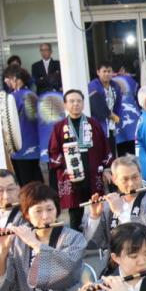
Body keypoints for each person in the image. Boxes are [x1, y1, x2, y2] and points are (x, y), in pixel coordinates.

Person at [47, 89, 113, 231]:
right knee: (75, 212)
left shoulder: (93, 124)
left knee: (97, 205)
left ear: (83, 104)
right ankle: (76, 239)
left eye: (79, 101)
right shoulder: (59, 128)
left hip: (93, 172)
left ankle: (99, 236)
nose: (75, 104)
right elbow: (53, 152)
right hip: (71, 174)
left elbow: (104, 147)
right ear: (65, 105)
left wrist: (106, 168)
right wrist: (65, 166)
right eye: (71, 101)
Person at [84, 155, 146, 253]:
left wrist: (120, 213)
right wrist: (95, 217)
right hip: (115, 260)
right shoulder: (108, 204)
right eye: (125, 179)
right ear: (114, 180)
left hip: (144, 259)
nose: (131, 184)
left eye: (135, 177)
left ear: (141, 175)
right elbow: (92, 243)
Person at [2, 66, 42, 185]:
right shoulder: (31, 94)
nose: (5, 81)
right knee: (35, 174)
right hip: (33, 142)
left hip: (19, 144)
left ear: (16, 79)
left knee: (25, 180)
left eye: (7, 78)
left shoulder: (12, 97)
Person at [87, 61, 123, 153]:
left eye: (109, 71)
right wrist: (114, 117)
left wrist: (118, 118)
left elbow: (118, 105)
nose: (107, 74)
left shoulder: (115, 86)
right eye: (104, 71)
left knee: (112, 152)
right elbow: (98, 107)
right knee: (100, 153)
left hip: (111, 125)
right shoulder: (92, 86)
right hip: (98, 125)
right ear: (98, 72)